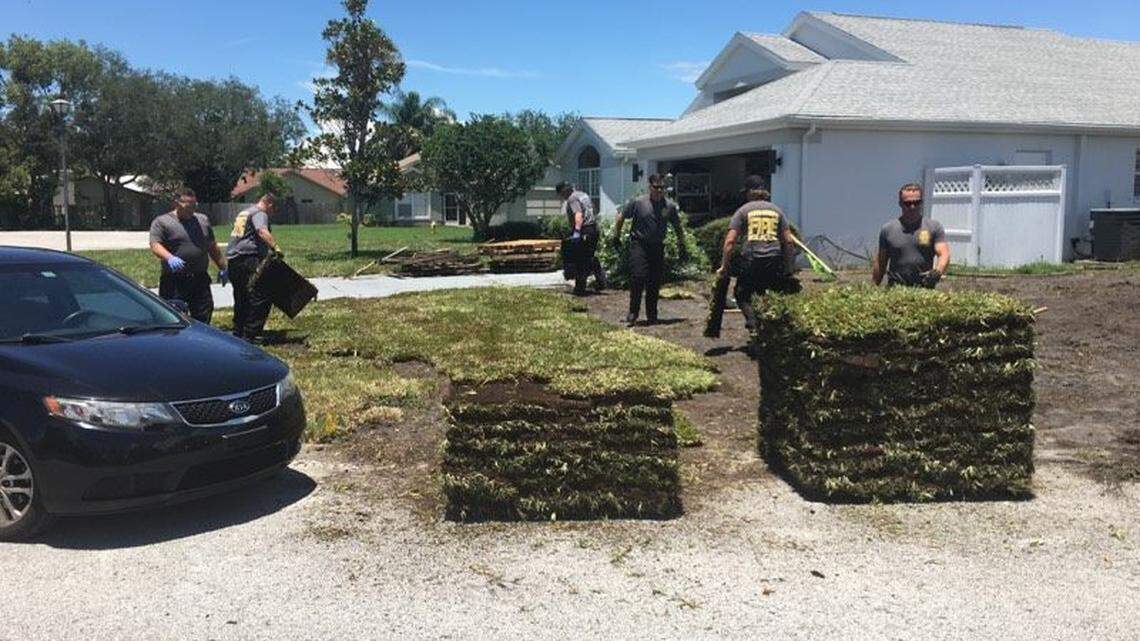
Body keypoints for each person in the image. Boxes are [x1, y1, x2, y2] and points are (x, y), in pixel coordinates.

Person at [718, 175, 800, 331]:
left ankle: (752, 323)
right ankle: (769, 328)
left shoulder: (743, 211)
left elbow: (729, 242)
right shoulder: (777, 211)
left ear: (749, 193)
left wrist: (724, 265)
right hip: (774, 260)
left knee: (742, 294)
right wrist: (789, 268)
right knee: (767, 294)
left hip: (752, 260)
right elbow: (788, 241)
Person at [612, 174, 688, 325]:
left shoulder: (669, 206)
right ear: (650, 187)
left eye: (662, 188)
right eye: (656, 187)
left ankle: (652, 314)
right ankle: (633, 312)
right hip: (639, 244)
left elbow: (678, 227)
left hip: (657, 246)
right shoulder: (639, 203)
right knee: (638, 277)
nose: (659, 190)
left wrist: (682, 246)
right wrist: (616, 237)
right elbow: (621, 217)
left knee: (654, 281)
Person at [148, 187, 226, 323]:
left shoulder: (202, 220)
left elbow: (212, 246)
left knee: (204, 314)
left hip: (199, 278)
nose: (191, 210)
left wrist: (223, 267)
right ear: (176, 204)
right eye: (188, 206)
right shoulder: (162, 222)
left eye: (194, 205)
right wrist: (169, 257)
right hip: (174, 280)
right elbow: (155, 245)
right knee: (174, 318)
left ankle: (200, 342)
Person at [225, 193, 282, 343]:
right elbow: (262, 231)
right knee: (263, 293)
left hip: (234, 260)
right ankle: (251, 333)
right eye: (273, 210)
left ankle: (239, 330)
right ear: (269, 204)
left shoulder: (245, 212)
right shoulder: (259, 213)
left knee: (242, 295)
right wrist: (275, 247)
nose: (272, 213)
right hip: (248, 258)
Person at [872, 183, 951, 288]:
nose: (912, 207)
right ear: (900, 203)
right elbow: (881, 262)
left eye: (917, 202)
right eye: (908, 203)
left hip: (924, 290)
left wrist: (937, 271)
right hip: (895, 289)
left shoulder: (933, 227)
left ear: (921, 202)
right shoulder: (888, 229)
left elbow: (944, 254)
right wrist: (873, 286)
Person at [555, 182, 606, 295]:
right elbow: (595, 210)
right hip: (593, 229)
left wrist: (577, 232)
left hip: (584, 230)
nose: (562, 197)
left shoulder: (572, 199)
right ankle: (601, 281)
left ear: (564, 191)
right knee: (588, 257)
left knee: (580, 260)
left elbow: (578, 214)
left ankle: (580, 288)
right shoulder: (583, 195)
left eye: (561, 194)